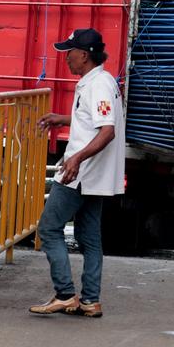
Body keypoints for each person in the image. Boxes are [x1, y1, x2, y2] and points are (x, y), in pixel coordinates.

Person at [29, 28, 125, 319]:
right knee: (90, 237)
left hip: (81, 172)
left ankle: (65, 294)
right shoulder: (99, 81)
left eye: (69, 53)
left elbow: (106, 130)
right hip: (93, 175)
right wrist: (65, 118)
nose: (66, 58)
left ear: (84, 55)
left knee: (48, 229)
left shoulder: (98, 85)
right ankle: (90, 301)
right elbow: (95, 117)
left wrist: (76, 160)